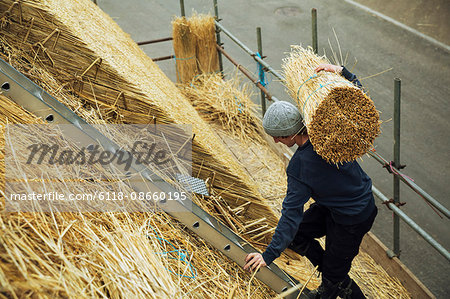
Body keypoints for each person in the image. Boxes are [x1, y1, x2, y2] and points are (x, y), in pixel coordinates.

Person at [243, 64, 377, 299]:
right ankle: (330, 268)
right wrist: (342, 72)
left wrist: (267, 256)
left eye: (277, 136)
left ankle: (334, 280)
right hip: (335, 204)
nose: (275, 141)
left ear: (289, 134)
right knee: (297, 237)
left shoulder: (301, 166)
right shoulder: (327, 130)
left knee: (331, 284)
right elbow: (359, 106)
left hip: (354, 216)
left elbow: (291, 213)